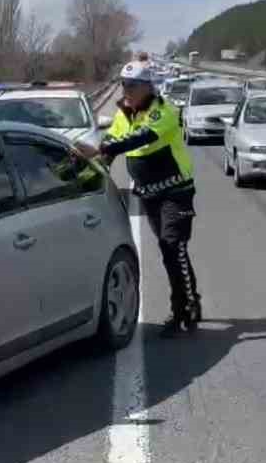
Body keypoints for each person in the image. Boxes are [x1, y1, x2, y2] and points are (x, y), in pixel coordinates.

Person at [76, 61, 201, 337]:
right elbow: (111, 147)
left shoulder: (164, 111)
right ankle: (190, 299)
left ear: (148, 87)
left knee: (173, 247)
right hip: (149, 194)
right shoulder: (124, 113)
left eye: (132, 85)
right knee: (168, 250)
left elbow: (139, 138)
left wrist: (101, 148)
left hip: (176, 192)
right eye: (123, 84)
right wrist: (83, 174)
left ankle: (184, 308)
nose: (126, 90)